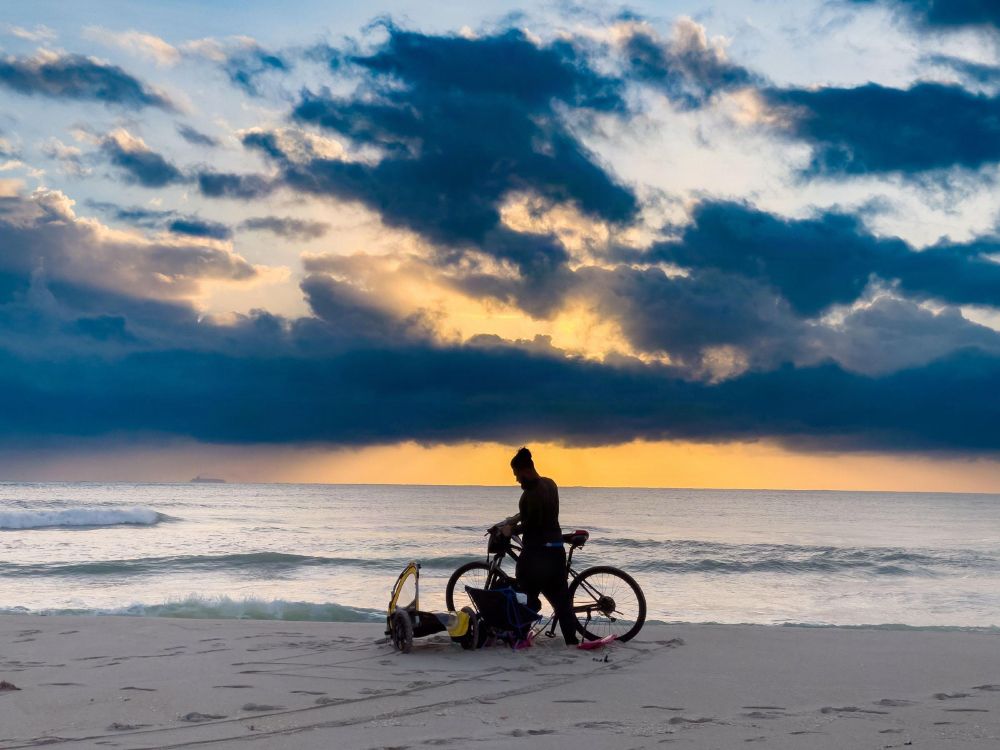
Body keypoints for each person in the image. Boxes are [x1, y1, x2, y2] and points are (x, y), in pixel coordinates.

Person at [498, 447, 579, 646]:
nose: (516, 479)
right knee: (561, 601)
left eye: (517, 474)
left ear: (525, 470)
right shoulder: (550, 484)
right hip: (556, 550)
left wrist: (511, 531)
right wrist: (514, 519)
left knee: (527, 595)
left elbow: (532, 524)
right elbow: (536, 516)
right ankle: (572, 640)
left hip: (537, 554)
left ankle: (521, 635)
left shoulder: (530, 494)